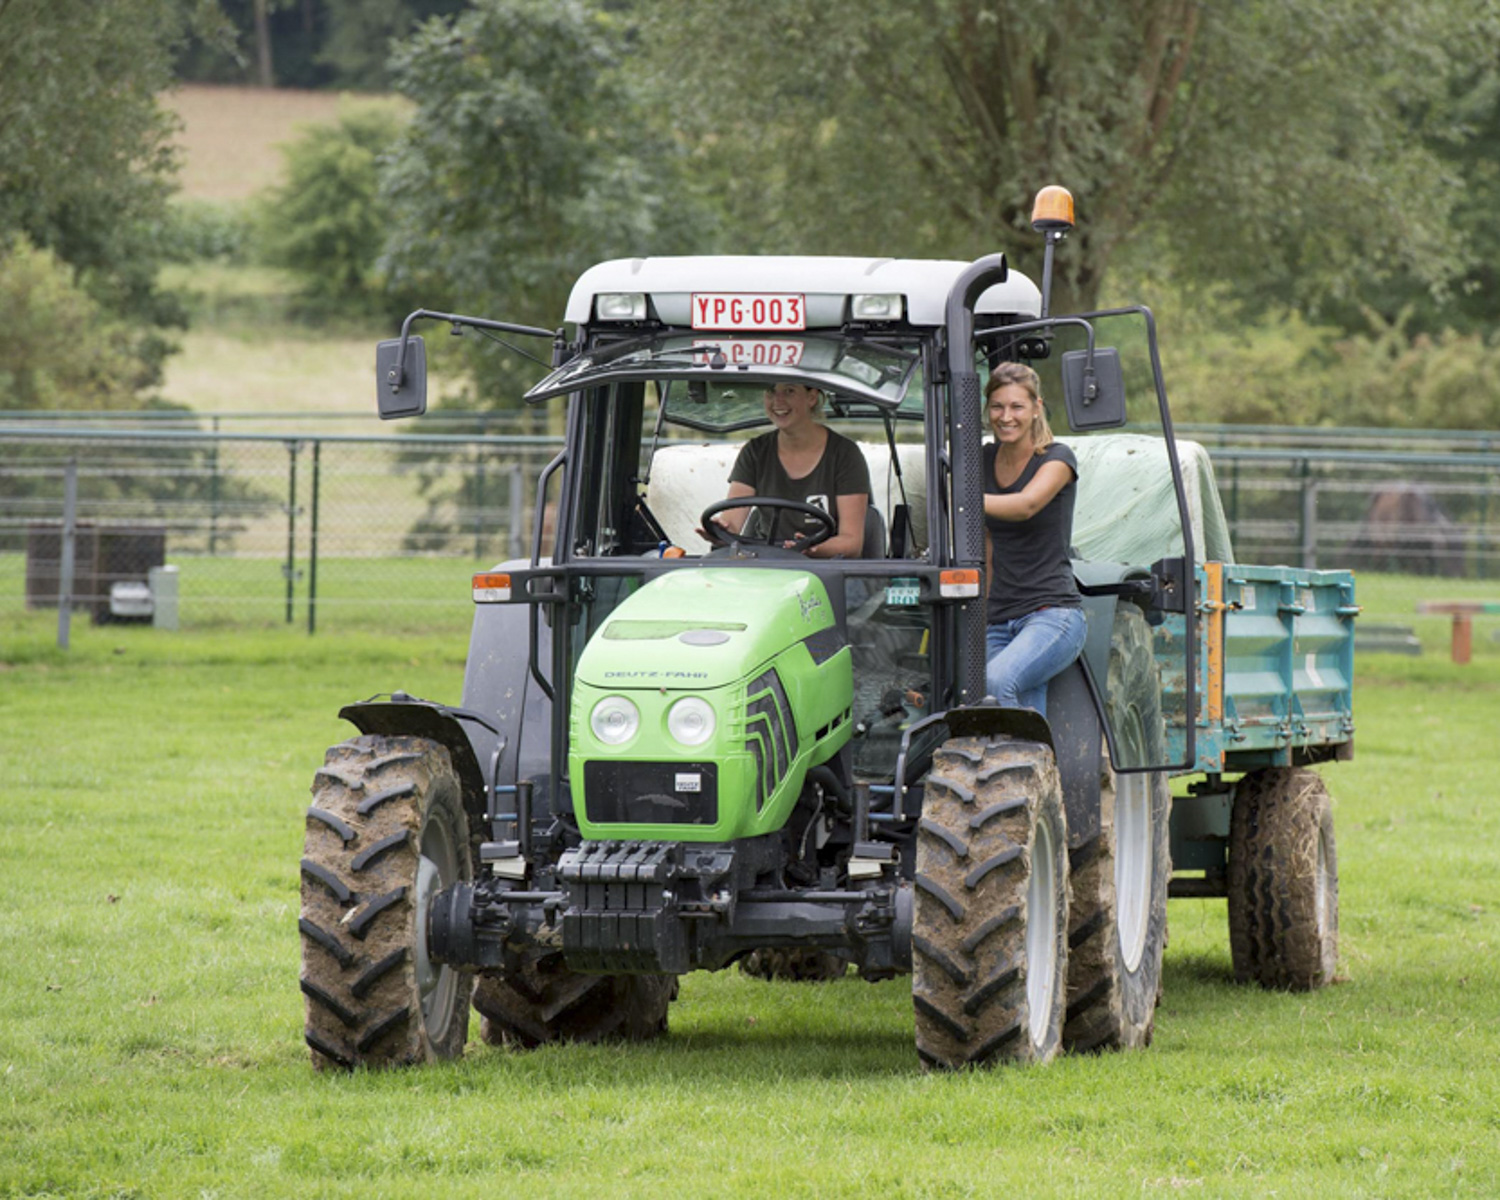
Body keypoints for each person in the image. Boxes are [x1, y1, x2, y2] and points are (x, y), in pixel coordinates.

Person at [981, 362, 1086, 716]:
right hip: (1000, 617)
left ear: (1036, 408)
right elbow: (986, 543)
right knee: (995, 705)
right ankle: (1035, 755)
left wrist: (962, 498)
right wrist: (982, 612)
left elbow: (1025, 505)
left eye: (1017, 406)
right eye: (997, 406)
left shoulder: (1057, 459)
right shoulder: (983, 460)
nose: (1006, 416)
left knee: (997, 681)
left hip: (1051, 614)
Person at [711, 382, 871, 559]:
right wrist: (719, 532)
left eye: (789, 391)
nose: (778, 401)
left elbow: (851, 542)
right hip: (765, 563)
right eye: (771, 391)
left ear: (812, 397)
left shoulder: (845, 454)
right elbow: (731, 523)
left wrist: (813, 548)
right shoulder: (755, 451)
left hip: (823, 568)